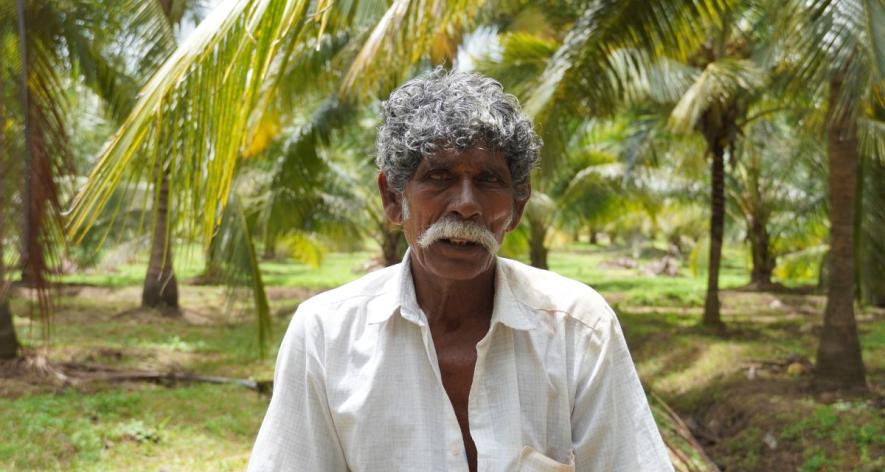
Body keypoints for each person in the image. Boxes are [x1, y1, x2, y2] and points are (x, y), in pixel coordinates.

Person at [248, 69, 672, 471]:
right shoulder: (326, 334)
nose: (466, 204)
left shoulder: (578, 328)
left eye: (488, 180)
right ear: (394, 198)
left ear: (517, 206)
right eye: (438, 176)